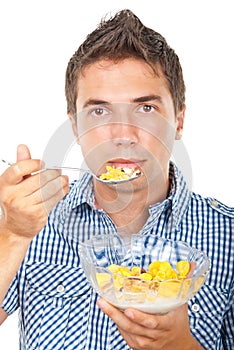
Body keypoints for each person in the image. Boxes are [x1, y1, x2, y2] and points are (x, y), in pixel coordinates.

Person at [0, 9, 233, 350]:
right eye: (99, 111)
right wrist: (13, 235)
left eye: (145, 108)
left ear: (179, 122)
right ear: (76, 127)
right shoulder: (30, 221)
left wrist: (180, 344)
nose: (123, 134)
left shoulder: (228, 236)